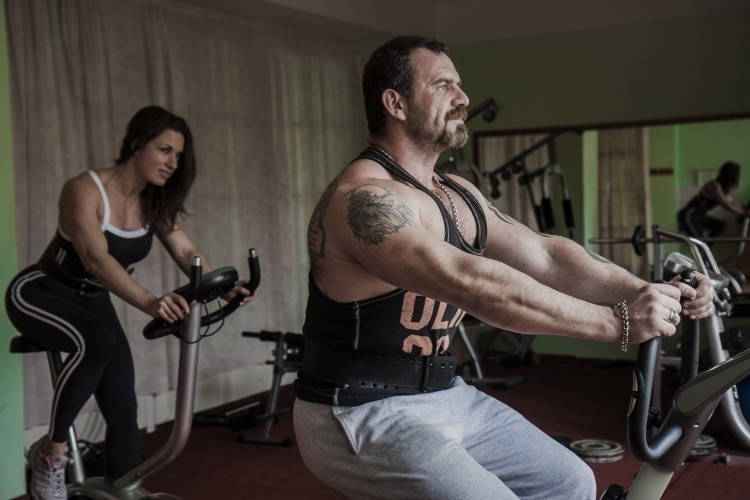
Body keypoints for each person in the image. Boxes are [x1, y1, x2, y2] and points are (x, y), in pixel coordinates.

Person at [292, 36, 714, 499]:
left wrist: (645, 290)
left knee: (571, 482)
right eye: (443, 85)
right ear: (396, 103)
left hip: (444, 392)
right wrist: (618, 322)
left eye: (460, 85)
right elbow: (472, 284)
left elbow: (547, 255)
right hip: (359, 407)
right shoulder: (364, 201)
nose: (462, 97)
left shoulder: (457, 192)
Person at [4, 105, 255, 500]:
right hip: (41, 292)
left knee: (123, 408)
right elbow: (94, 258)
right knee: (99, 340)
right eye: (164, 150)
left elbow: (186, 250)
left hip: (93, 302)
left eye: (178, 155)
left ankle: (127, 487)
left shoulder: (155, 203)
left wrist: (223, 287)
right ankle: (51, 454)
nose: (172, 163)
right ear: (137, 143)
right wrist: (151, 302)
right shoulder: (84, 189)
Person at [677, 160, 748, 239]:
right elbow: (725, 204)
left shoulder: (723, 190)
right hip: (689, 215)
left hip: (699, 216)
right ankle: (704, 246)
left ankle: (707, 246)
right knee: (699, 242)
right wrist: (743, 213)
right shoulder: (714, 185)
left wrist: (744, 210)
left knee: (721, 225)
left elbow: (732, 202)